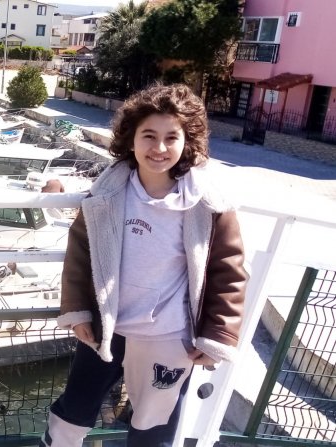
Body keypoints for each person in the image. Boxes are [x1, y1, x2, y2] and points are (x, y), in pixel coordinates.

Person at [41, 83, 248, 447]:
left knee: (155, 425)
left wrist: (218, 335)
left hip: (169, 337)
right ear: (131, 139)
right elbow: (80, 255)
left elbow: (228, 272)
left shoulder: (208, 204)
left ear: (188, 141)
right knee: (74, 410)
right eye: (149, 136)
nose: (159, 148)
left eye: (172, 137)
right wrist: (78, 311)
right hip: (105, 328)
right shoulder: (106, 195)